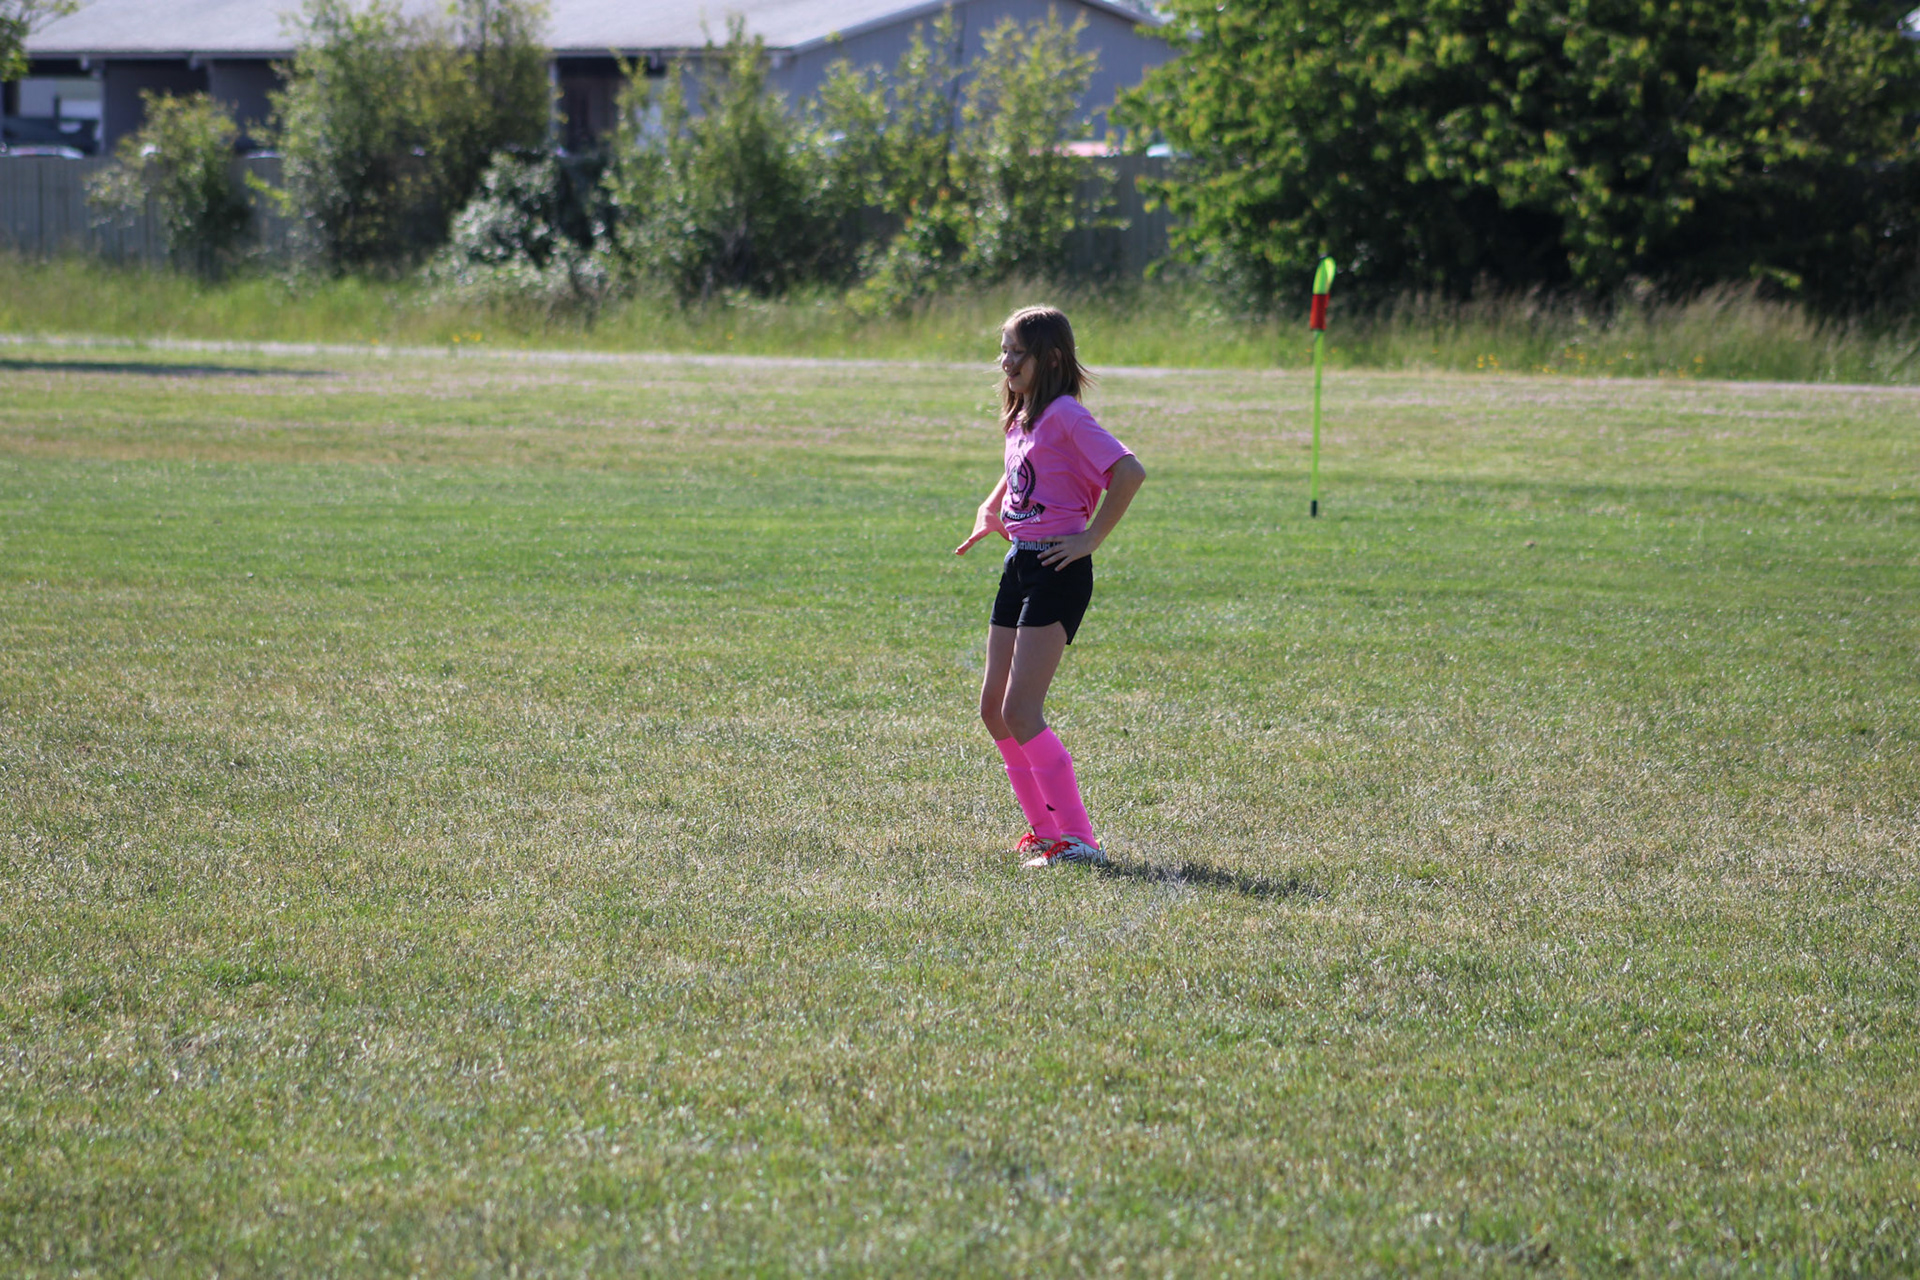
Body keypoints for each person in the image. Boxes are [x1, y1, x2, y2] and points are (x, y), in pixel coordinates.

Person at [954, 306, 1147, 869]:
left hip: (1058, 568)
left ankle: (1080, 840)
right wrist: (990, 508)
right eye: (1004, 350)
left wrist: (1090, 539)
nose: (1007, 361)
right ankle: (1045, 831)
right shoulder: (1024, 416)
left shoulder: (1065, 414)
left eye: (1019, 352)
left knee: (1021, 709)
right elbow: (1020, 466)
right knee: (994, 709)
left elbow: (1129, 471)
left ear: (1053, 359)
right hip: (1019, 563)